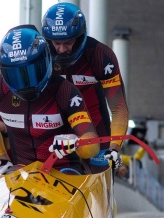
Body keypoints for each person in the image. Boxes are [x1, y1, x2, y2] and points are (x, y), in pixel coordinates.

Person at [0, 25, 100, 178]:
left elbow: (92, 143)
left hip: (62, 168)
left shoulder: (65, 91)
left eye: (31, 72)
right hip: (22, 170)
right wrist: (2, 158)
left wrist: (77, 143)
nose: (24, 83)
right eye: (15, 75)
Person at [41, 3, 129, 172]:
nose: (61, 50)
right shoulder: (41, 56)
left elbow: (118, 107)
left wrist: (115, 147)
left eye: (68, 43)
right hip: (54, 129)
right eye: (56, 43)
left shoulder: (100, 56)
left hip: (96, 129)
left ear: (80, 37)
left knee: (98, 183)